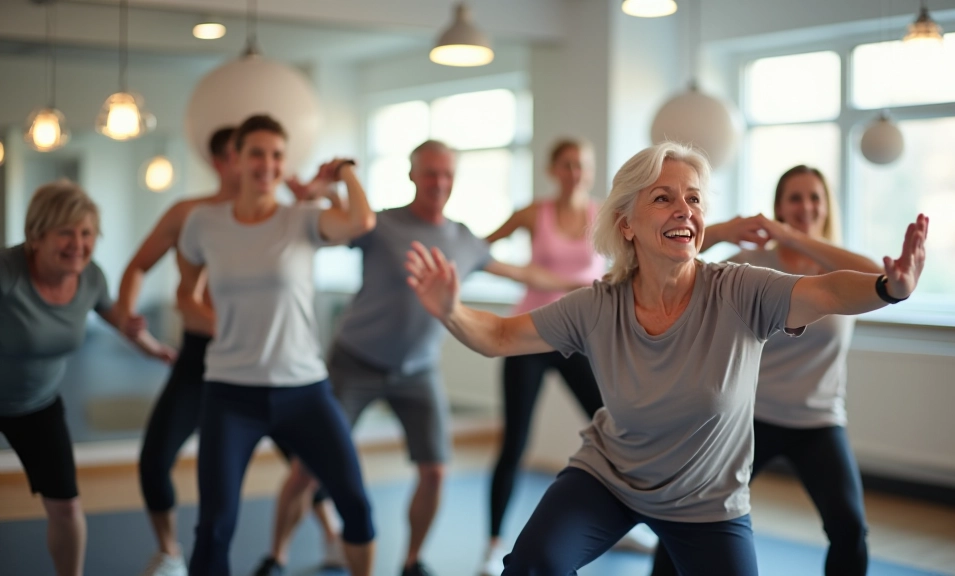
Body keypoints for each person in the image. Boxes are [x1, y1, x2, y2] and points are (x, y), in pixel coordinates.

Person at [403, 141, 929, 575]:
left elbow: (830, 293)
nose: (685, 210)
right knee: (532, 564)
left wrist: (888, 286)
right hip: (609, 480)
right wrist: (450, 310)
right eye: (663, 198)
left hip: (707, 503)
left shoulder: (740, 290)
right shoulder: (598, 305)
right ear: (627, 222)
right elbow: (497, 334)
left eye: (695, 199)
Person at [257, 139, 587, 576]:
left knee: (434, 470)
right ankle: (276, 557)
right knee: (307, 470)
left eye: (447, 174)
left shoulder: (464, 239)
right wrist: (326, 189)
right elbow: (336, 219)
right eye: (430, 173)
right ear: (413, 176)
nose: (439, 182)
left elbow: (523, 273)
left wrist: (583, 286)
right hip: (355, 363)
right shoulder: (381, 225)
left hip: (418, 370)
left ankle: (412, 561)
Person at [120, 128, 343, 576]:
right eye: (239, 156)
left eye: (267, 155)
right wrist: (131, 322)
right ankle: (169, 553)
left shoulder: (284, 215)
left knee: (308, 463)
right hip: (206, 356)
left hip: (268, 363)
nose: (247, 166)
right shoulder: (191, 214)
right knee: (155, 461)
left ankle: (332, 535)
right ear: (224, 161)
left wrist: (321, 191)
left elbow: (348, 228)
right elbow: (150, 272)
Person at [649, 165, 881, 576]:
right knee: (688, 512)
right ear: (779, 206)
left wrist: (796, 238)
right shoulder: (753, 264)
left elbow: (881, 279)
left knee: (850, 528)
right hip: (749, 417)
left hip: (819, 419)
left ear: (826, 206)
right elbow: (674, 265)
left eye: (814, 197)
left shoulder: (840, 270)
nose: (806, 206)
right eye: (795, 198)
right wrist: (723, 229)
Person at [177, 114, 377, 576]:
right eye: (256, 153)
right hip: (230, 393)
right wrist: (221, 325)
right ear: (236, 159)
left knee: (356, 506)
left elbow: (361, 220)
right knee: (215, 527)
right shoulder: (203, 223)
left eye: (276, 155)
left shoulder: (302, 220)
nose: (266, 164)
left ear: (285, 164)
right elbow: (185, 296)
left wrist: (343, 172)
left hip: (304, 391)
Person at [480, 138, 656, 574]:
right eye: (567, 165)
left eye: (583, 165)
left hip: (580, 337)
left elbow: (624, 266)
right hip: (530, 336)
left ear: (591, 171)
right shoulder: (531, 213)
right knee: (515, 442)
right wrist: (520, 273)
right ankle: (493, 540)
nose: (575, 172)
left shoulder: (606, 216)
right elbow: (480, 248)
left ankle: (626, 525)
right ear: (553, 169)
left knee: (617, 432)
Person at [0, 181, 172, 576]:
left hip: (37, 404)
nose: (78, 243)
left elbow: (117, 319)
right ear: (37, 236)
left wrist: (152, 347)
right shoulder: (8, 271)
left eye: (86, 232)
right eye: (66, 232)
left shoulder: (90, 277)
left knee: (67, 506)